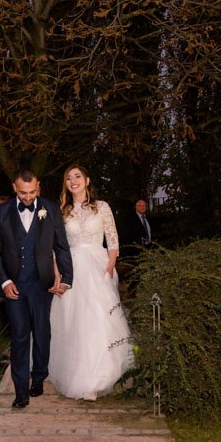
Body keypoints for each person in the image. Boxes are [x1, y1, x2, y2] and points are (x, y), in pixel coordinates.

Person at [0, 169, 73, 408]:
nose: (28, 197)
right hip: (14, 285)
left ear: (39, 188)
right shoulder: (2, 212)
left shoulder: (51, 209)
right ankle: (21, 392)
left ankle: (39, 376)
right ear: (15, 188)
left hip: (42, 283)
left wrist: (66, 278)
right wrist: (4, 281)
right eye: (23, 192)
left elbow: (61, 246)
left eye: (32, 192)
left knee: (42, 332)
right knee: (20, 336)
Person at [48, 166, 134, 400]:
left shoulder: (102, 207)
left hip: (98, 266)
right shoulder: (62, 211)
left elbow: (113, 240)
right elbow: (58, 246)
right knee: (76, 322)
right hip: (71, 269)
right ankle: (80, 377)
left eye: (77, 177)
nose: (73, 181)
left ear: (87, 180)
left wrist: (108, 267)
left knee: (98, 319)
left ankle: (101, 375)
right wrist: (57, 273)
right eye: (68, 178)